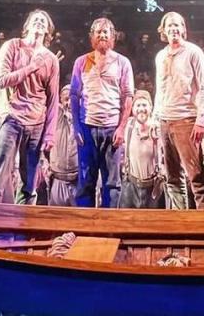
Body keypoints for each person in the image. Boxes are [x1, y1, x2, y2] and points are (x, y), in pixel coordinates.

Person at [0, 10, 61, 205]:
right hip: (12, 118)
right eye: (36, 19)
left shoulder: (51, 59)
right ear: (27, 26)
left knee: (30, 180)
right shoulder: (12, 46)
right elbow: (1, 80)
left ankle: (25, 221)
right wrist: (31, 67)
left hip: (37, 122)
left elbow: (53, 99)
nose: (40, 22)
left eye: (44, 20)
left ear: (49, 30)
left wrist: (49, 134)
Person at [70, 17, 134, 208]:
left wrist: (122, 128)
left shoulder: (123, 62)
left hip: (111, 128)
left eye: (106, 32)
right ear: (92, 37)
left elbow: (128, 96)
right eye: (98, 31)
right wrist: (77, 127)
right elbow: (74, 95)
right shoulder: (81, 62)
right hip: (87, 127)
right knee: (85, 182)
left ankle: (109, 229)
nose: (102, 34)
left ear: (113, 37)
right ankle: (84, 229)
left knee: (112, 184)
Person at [153, 12, 204, 209]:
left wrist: (201, 119)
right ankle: (180, 221)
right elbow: (159, 89)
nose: (173, 29)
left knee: (195, 175)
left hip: (186, 119)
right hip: (164, 120)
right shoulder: (160, 56)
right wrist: (155, 117)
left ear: (184, 29)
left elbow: (203, 88)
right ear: (163, 30)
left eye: (177, 25)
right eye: (169, 25)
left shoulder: (194, 53)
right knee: (172, 177)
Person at [118, 91, 165, 209]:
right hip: (130, 187)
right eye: (138, 105)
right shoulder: (128, 126)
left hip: (153, 188)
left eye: (144, 105)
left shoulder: (158, 128)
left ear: (151, 107)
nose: (141, 109)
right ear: (133, 108)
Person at [49, 85, 79, 206]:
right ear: (61, 101)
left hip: (78, 182)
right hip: (58, 180)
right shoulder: (56, 117)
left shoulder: (84, 118)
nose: (70, 103)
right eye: (66, 99)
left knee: (81, 222)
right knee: (55, 221)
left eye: (73, 99)